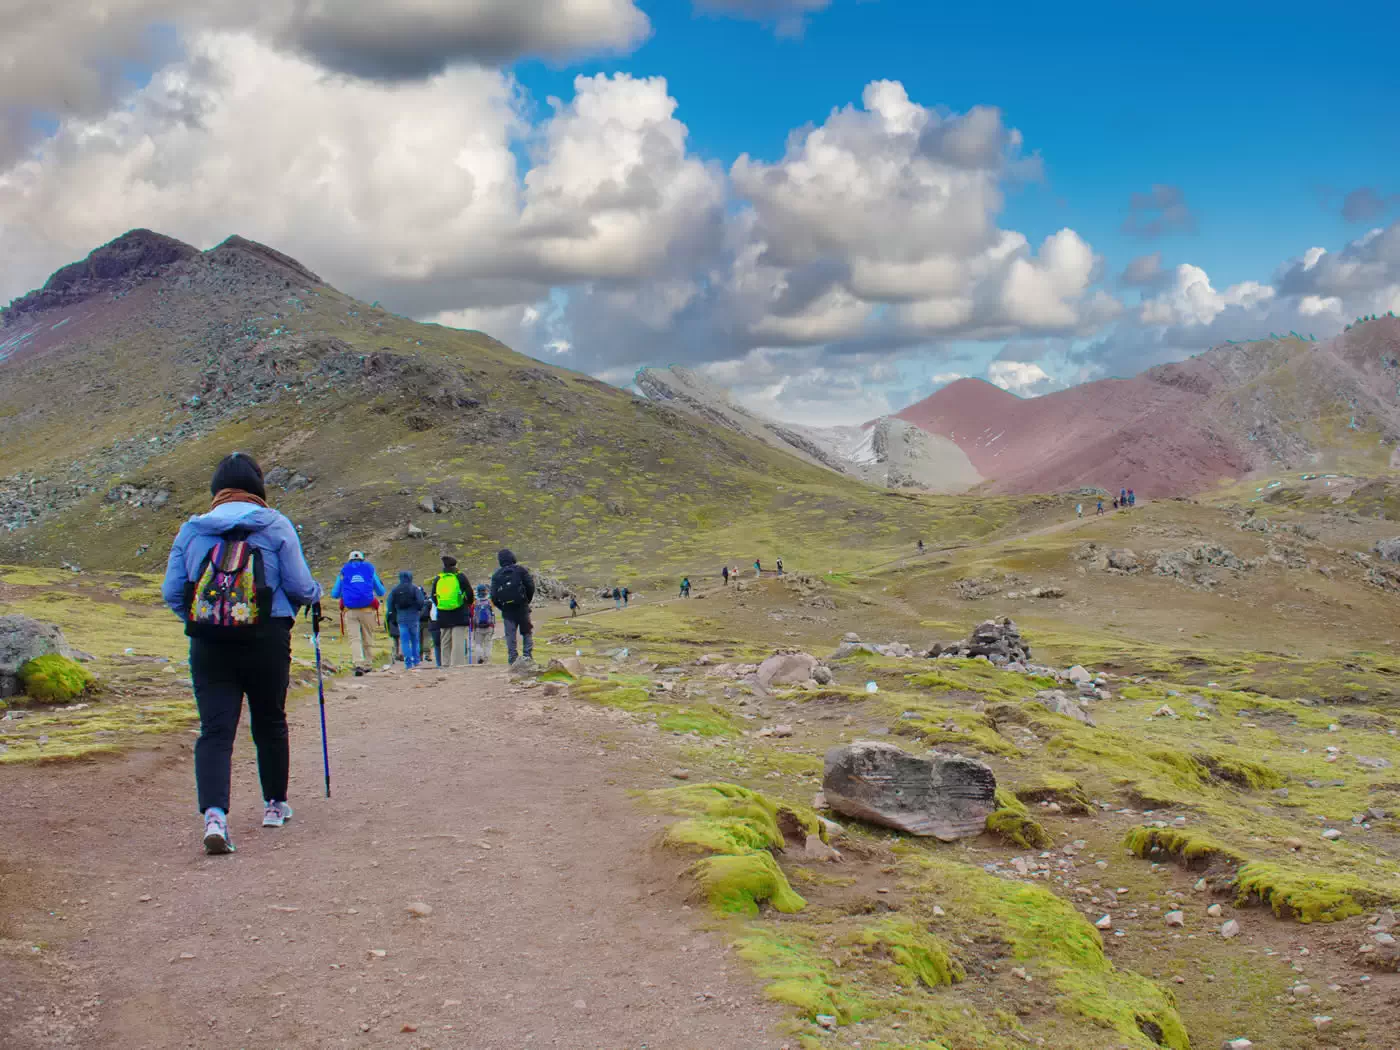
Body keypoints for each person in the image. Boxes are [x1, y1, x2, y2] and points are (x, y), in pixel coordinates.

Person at [161, 452, 320, 855]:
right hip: (266, 637)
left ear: (217, 490)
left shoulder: (192, 531)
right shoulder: (276, 524)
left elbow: (172, 591)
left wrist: (201, 619)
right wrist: (314, 598)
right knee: (270, 720)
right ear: (257, 488)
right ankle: (274, 804)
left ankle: (215, 814)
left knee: (215, 730)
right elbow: (300, 585)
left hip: (209, 641)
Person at [332, 550, 384, 673]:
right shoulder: (370, 570)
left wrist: (344, 593)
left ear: (349, 560)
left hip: (350, 611)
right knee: (367, 636)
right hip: (367, 610)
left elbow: (335, 594)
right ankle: (368, 663)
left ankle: (358, 663)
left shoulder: (344, 571)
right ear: (362, 559)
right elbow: (381, 591)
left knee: (355, 639)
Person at [490, 549, 535, 665]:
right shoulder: (521, 570)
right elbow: (530, 586)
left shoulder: (496, 575)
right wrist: (526, 600)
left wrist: (502, 607)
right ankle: (527, 656)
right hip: (522, 607)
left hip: (507, 610)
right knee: (526, 631)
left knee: (510, 634)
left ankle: (512, 658)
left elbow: (493, 596)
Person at [432, 555, 472, 667]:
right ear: (455, 565)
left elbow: (433, 596)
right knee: (458, 640)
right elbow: (469, 593)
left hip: (443, 613)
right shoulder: (461, 577)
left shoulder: (438, 579)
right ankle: (457, 665)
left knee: (445, 640)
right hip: (459, 613)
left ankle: (445, 664)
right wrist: (466, 604)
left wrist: (441, 606)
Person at [388, 571, 426, 669]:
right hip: (413, 616)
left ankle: (408, 663)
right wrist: (418, 610)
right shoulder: (414, 588)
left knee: (405, 641)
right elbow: (421, 602)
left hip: (401, 618)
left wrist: (394, 616)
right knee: (415, 640)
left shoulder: (395, 589)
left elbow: (390, 605)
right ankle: (416, 661)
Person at [471, 584, 496, 664]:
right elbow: (493, 612)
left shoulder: (475, 601)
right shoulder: (489, 601)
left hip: (478, 627)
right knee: (488, 643)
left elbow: (472, 613)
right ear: (485, 591)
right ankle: (487, 659)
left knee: (478, 643)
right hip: (489, 626)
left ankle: (479, 657)